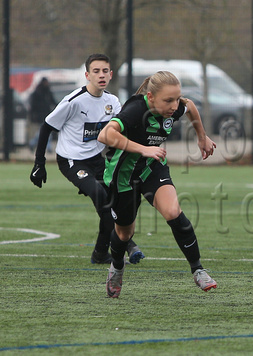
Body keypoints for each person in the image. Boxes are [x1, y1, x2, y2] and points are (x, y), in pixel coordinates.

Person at [97, 71, 217, 298]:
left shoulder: (177, 106)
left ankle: (198, 270)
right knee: (124, 233)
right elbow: (105, 135)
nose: (174, 105)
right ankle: (117, 267)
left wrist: (202, 136)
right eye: (168, 100)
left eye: (176, 99)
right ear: (150, 97)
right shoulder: (135, 111)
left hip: (152, 168)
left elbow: (189, 106)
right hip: (122, 175)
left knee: (173, 211)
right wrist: (143, 148)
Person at [29, 53, 144, 265]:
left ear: (111, 74)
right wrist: (39, 163)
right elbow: (46, 127)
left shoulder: (112, 102)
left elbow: (123, 128)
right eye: (96, 71)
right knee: (102, 199)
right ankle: (120, 246)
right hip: (71, 161)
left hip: (97, 160)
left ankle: (106, 251)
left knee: (116, 200)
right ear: (87, 75)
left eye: (105, 71)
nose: (101, 75)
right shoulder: (73, 101)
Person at [28, 77, 57, 151]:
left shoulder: (47, 92)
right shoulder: (38, 93)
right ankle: (48, 147)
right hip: (40, 115)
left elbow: (53, 102)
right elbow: (33, 106)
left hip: (46, 114)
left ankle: (32, 143)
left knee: (43, 131)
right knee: (45, 130)